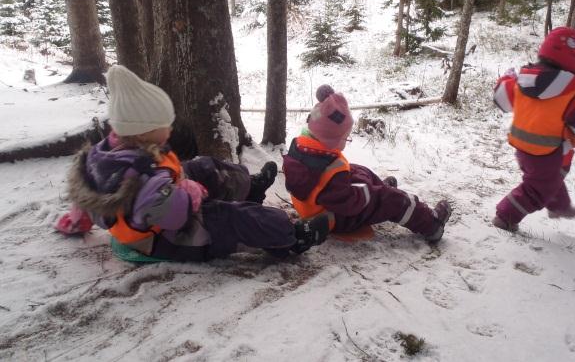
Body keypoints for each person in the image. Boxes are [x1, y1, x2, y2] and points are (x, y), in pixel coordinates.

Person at [55, 65, 329, 261]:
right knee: (227, 217)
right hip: (166, 238)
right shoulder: (142, 175)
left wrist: (75, 222)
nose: (170, 130)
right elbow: (174, 215)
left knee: (204, 166)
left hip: (160, 202)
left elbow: (85, 198)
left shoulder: (104, 156)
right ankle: (289, 237)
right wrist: (188, 192)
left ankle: (249, 188)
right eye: (165, 125)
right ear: (142, 132)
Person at [282, 84, 452, 243]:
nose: (346, 141)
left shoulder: (301, 145)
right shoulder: (332, 170)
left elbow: (327, 181)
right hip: (335, 218)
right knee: (392, 199)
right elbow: (348, 203)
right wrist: (371, 194)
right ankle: (431, 224)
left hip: (313, 208)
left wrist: (364, 184)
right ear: (330, 139)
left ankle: (380, 191)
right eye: (345, 137)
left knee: (358, 170)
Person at [492, 27, 575, 232]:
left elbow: (501, 100)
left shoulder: (522, 80)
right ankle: (505, 216)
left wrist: (505, 78)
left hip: (522, 148)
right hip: (550, 152)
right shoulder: (574, 94)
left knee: (550, 179)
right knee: (537, 189)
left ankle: (559, 206)